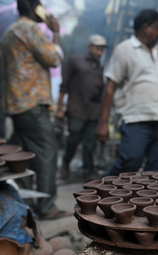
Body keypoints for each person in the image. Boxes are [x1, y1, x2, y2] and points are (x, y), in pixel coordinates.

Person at [0, 0, 71, 220]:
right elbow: (54, 58)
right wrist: (56, 33)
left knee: (19, 154)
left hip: (16, 105)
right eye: (40, 5)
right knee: (47, 152)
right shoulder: (29, 28)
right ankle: (47, 207)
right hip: (32, 104)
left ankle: (24, 204)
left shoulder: (10, 32)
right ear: (32, 7)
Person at [96, 9, 158, 176]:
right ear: (146, 27)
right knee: (131, 160)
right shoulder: (124, 49)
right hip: (135, 118)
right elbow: (110, 86)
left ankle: (150, 201)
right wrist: (103, 122)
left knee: (157, 169)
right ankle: (99, 191)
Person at [56, 35, 107, 180]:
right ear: (90, 47)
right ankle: (66, 163)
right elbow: (63, 85)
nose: (100, 52)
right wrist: (60, 108)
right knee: (73, 139)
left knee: (90, 143)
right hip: (76, 109)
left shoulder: (100, 68)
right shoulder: (75, 61)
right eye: (97, 49)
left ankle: (88, 171)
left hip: (94, 111)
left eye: (102, 50)